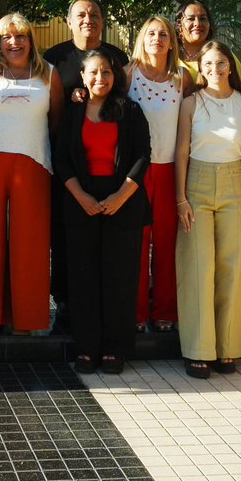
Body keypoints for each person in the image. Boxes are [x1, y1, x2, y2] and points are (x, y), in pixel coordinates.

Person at [55, 51, 150, 375]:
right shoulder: (73, 113)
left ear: (115, 75)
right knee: (83, 278)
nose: (100, 79)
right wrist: (80, 196)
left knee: (119, 278)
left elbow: (142, 155)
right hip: (80, 201)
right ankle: (87, 348)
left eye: (106, 72)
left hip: (122, 201)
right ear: (83, 76)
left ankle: (115, 348)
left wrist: (121, 195)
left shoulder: (130, 110)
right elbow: (61, 159)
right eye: (93, 73)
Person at [0, 13, 65, 334]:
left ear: (30, 39)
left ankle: (28, 317)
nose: (14, 42)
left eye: (20, 36)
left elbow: (56, 122)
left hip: (34, 161)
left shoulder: (49, 74)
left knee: (31, 242)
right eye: (6, 38)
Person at [174, 40, 241, 379]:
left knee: (231, 267)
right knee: (198, 267)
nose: (214, 69)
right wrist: (180, 198)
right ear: (200, 68)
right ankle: (198, 350)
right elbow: (181, 151)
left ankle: (227, 347)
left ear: (230, 64)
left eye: (220, 62)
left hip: (234, 184)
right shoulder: (191, 103)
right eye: (207, 64)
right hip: (196, 181)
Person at [42, 0, 128, 327]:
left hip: (106, 161)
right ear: (69, 21)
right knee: (63, 232)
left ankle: (104, 296)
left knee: (104, 231)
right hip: (63, 159)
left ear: (103, 22)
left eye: (94, 14)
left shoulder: (118, 58)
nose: (87, 19)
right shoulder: (54, 59)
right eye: (80, 14)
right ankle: (63, 298)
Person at [125, 15, 192, 333]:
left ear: (171, 40)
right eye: (151, 33)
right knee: (137, 243)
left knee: (167, 243)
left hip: (170, 170)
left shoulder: (182, 77)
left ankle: (165, 310)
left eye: (163, 33)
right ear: (142, 38)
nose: (157, 38)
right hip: (136, 171)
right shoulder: (129, 74)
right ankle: (136, 311)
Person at [175, 0, 241, 92]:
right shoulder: (169, 58)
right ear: (178, 25)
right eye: (191, 19)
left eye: (203, 18)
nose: (197, 24)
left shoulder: (224, 56)